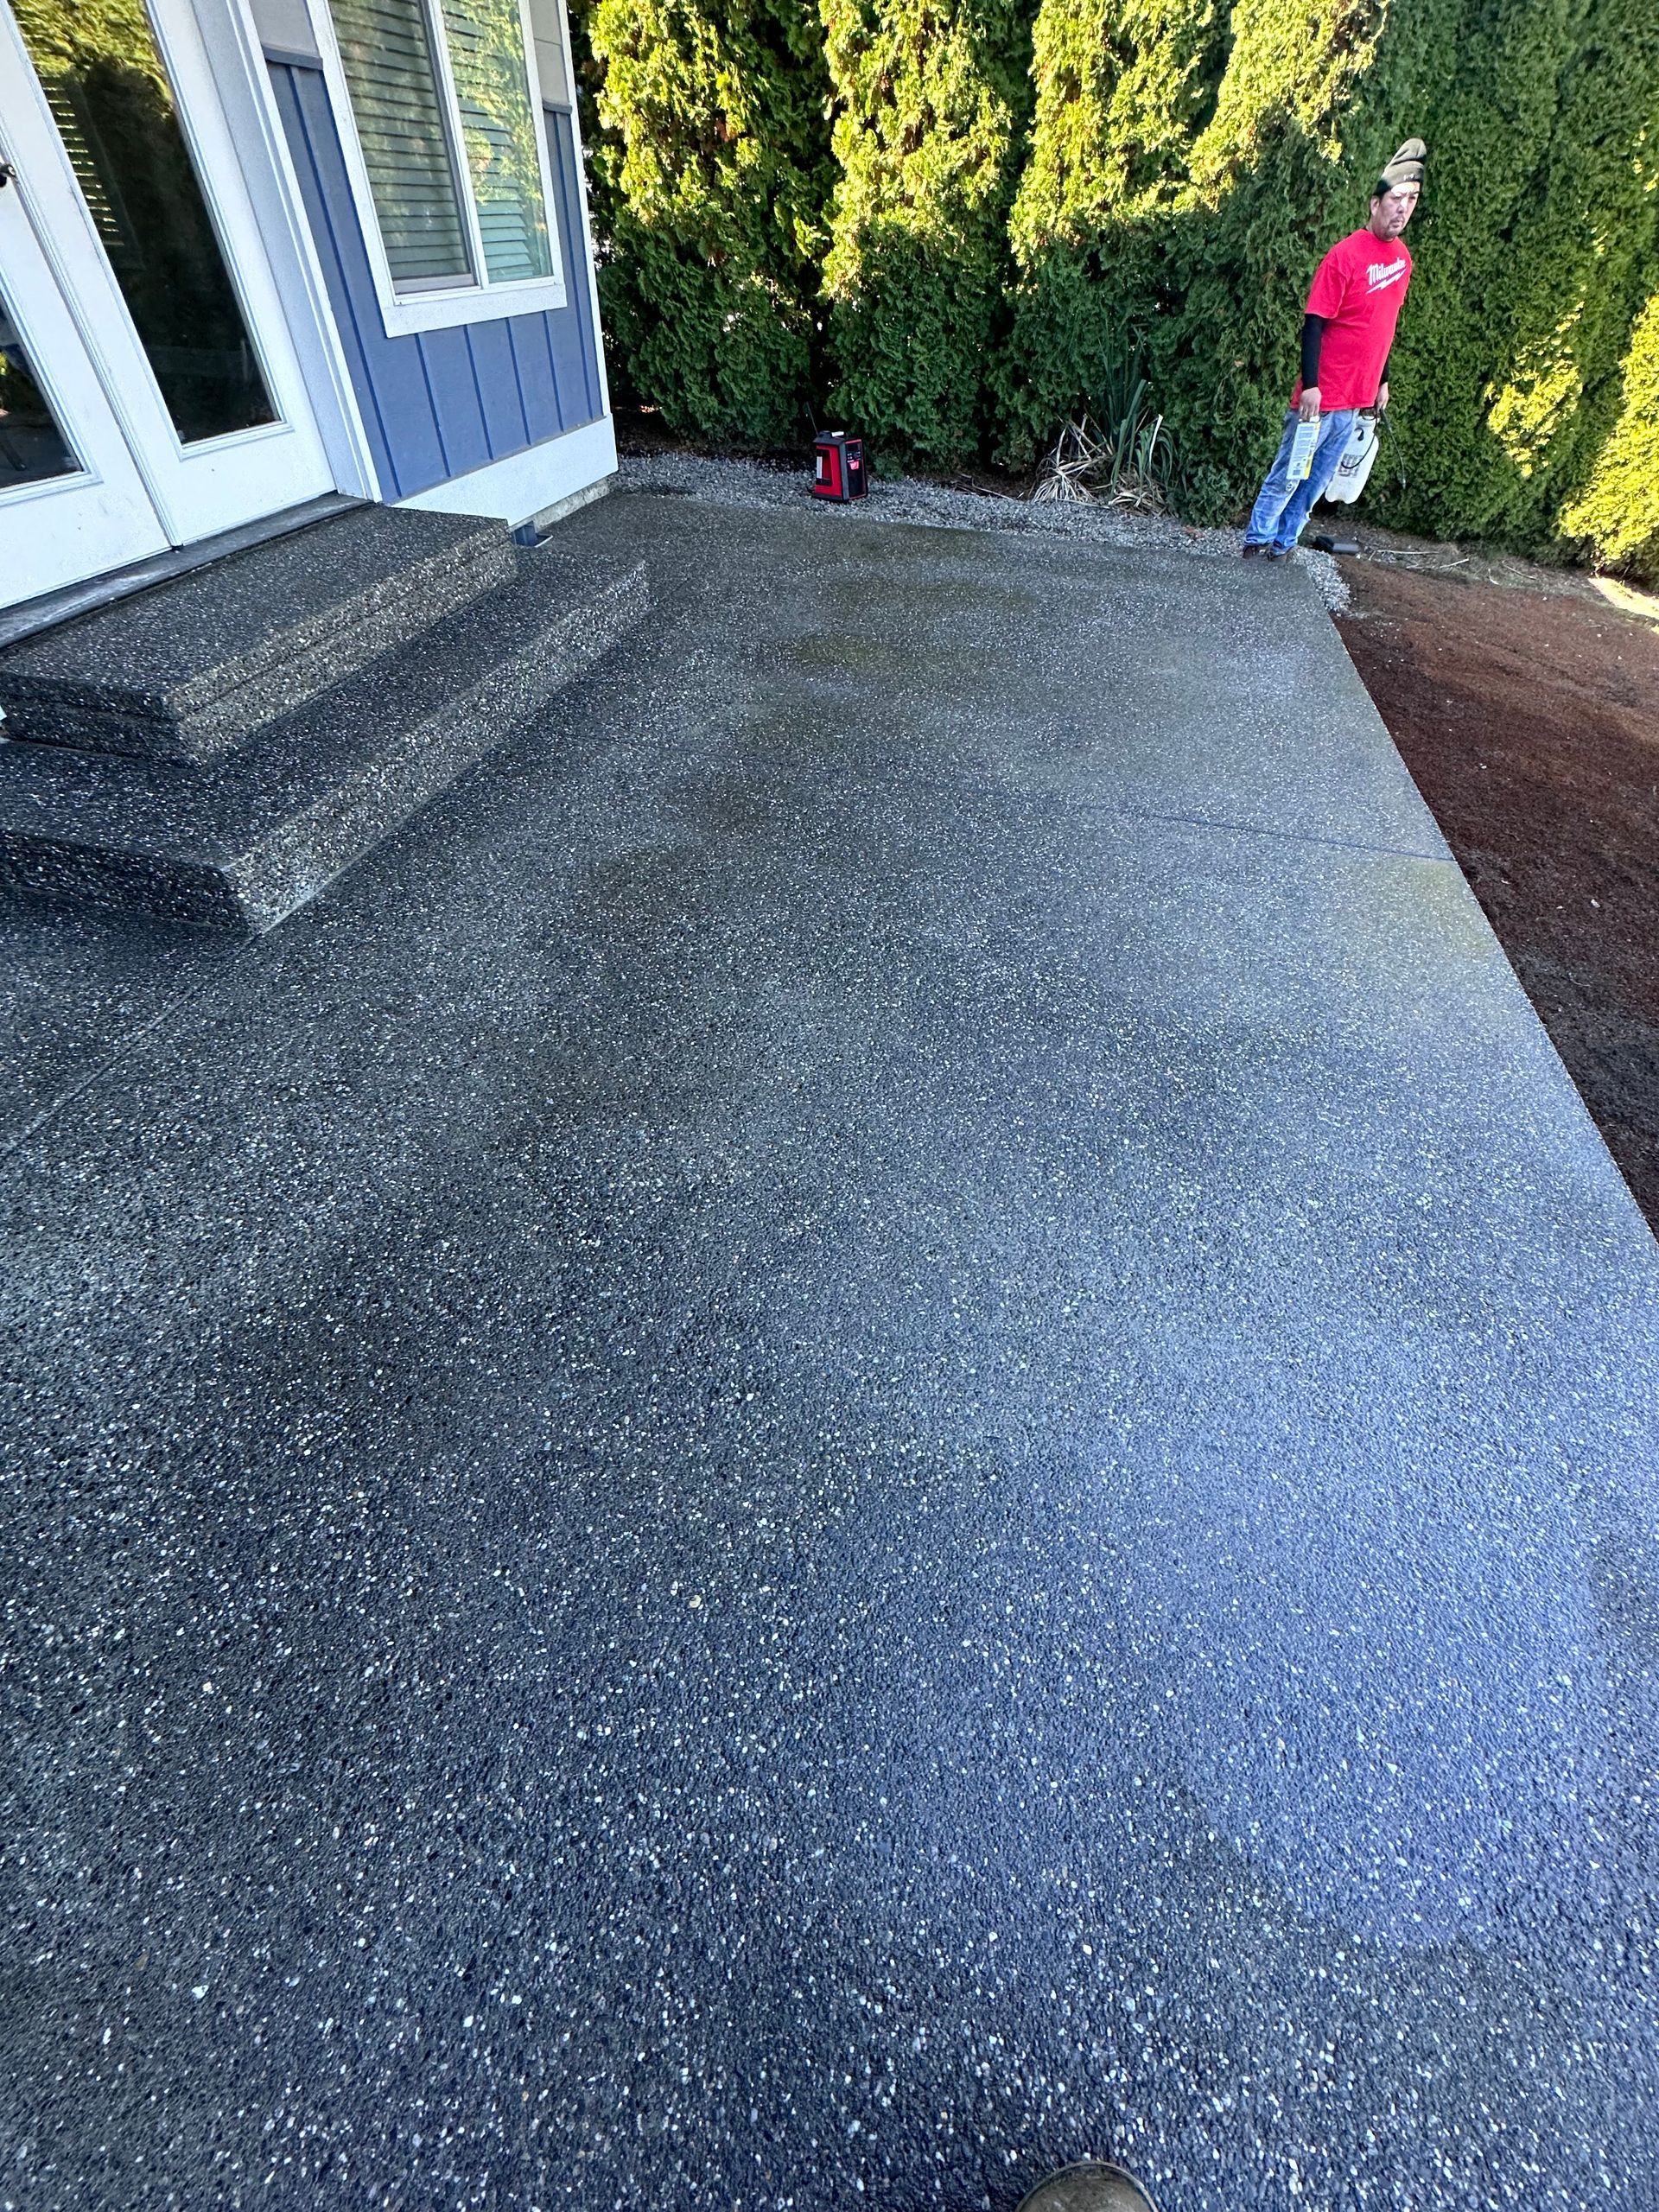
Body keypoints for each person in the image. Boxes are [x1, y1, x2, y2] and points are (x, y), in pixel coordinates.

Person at [1241, 138, 1425, 560]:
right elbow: (1314, 321)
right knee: (1289, 474)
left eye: (1411, 200)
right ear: (1375, 203)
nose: (1403, 208)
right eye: (1396, 198)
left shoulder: (1403, 260)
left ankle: (1283, 546)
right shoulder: (1344, 256)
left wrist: (1383, 380)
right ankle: (1256, 543)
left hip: (1357, 400)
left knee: (1316, 482)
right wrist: (1310, 385)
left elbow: (1385, 324)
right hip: (1321, 398)